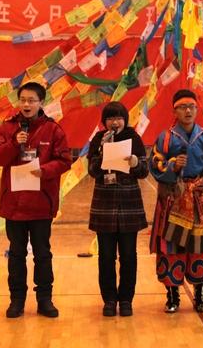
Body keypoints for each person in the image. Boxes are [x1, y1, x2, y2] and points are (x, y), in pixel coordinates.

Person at [0, 81, 72, 319]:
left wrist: (44, 171)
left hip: (41, 204)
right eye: (23, 100)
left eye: (31, 100)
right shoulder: (7, 128)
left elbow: (65, 160)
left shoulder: (53, 130)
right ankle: (17, 300)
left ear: (41, 103)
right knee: (16, 254)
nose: (26, 104)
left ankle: (45, 299)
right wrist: (15, 142)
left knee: (42, 254)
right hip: (14, 205)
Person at [149, 89, 203, 313]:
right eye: (182, 107)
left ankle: (201, 295)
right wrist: (172, 165)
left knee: (200, 247)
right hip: (173, 198)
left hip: (200, 200)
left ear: (197, 109)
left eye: (192, 107)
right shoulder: (165, 138)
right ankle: (172, 296)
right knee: (171, 247)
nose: (188, 111)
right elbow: (155, 163)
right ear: (174, 111)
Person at [86, 101, 149, 317]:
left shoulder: (134, 138)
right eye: (111, 118)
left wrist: (135, 163)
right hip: (104, 205)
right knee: (106, 256)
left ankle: (126, 299)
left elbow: (144, 172)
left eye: (119, 118)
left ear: (125, 120)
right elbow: (92, 171)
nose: (115, 122)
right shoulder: (98, 139)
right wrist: (102, 151)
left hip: (129, 204)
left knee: (129, 256)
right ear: (105, 122)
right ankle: (110, 300)